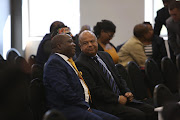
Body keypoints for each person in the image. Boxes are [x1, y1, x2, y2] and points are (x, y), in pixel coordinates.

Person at [75, 30, 157, 120]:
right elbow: (95, 90)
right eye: (85, 43)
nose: (90, 45)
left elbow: (118, 77)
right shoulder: (80, 64)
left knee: (151, 110)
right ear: (80, 46)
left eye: (92, 41)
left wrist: (126, 91)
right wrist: (117, 98)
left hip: (122, 98)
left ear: (96, 42)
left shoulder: (105, 55)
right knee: (138, 115)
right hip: (106, 104)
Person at [43, 34, 120, 120]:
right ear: (59, 46)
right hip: (67, 109)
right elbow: (64, 91)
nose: (74, 44)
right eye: (70, 42)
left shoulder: (67, 61)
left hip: (80, 106)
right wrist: (84, 105)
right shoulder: (54, 63)